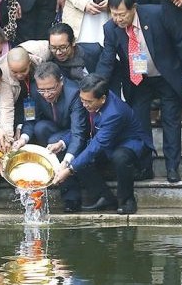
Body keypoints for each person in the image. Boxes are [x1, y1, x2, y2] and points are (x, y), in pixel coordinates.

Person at [97, 0, 182, 183]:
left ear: (133, 7)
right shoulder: (110, 29)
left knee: (170, 120)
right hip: (138, 80)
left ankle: (172, 167)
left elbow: (180, 40)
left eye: (122, 14)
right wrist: (97, 86)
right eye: (114, 14)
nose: (118, 19)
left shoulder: (157, 14)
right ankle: (145, 167)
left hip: (165, 74)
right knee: (140, 123)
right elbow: (107, 59)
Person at [51, 73, 152, 215]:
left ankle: (127, 201)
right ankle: (105, 197)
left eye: (88, 102)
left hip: (127, 144)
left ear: (102, 99)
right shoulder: (88, 100)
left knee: (119, 157)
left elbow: (96, 145)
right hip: (105, 144)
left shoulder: (114, 113)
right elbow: (81, 127)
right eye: (82, 100)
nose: (84, 104)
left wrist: (69, 170)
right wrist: (62, 143)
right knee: (76, 153)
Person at [15, 61, 87, 213]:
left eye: (51, 89)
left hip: (73, 132)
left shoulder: (74, 94)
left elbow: (78, 132)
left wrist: (66, 161)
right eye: (42, 90)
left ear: (61, 81)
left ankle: (71, 196)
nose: (46, 95)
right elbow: (30, 119)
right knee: (40, 128)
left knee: (55, 142)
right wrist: (23, 139)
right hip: (52, 130)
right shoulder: (33, 91)